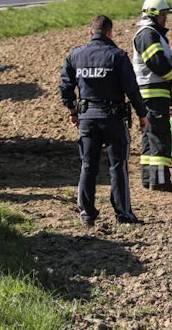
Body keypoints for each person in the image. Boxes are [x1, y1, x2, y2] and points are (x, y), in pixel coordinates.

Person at [59, 15, 149, 226]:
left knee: (88, 165)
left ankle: (87, 213)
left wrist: (73, 110)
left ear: (91, 32)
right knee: (117, 166)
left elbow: (65, 87)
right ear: (110, 32)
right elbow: (132, 89)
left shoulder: (75, 55)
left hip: (87, 119)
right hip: (112, 118)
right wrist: (142, 114)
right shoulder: (117, 56)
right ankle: (123, 214)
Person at [132, 0, 172, 192]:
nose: (165, 19)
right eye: (163, 15)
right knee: (160, 136)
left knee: (149, 136)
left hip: (148, 94)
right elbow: (157, 64)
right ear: (153, 14)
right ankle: (160, 181)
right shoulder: (148, 34)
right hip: (153, 94)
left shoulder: (150, 33)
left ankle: (148, 178)